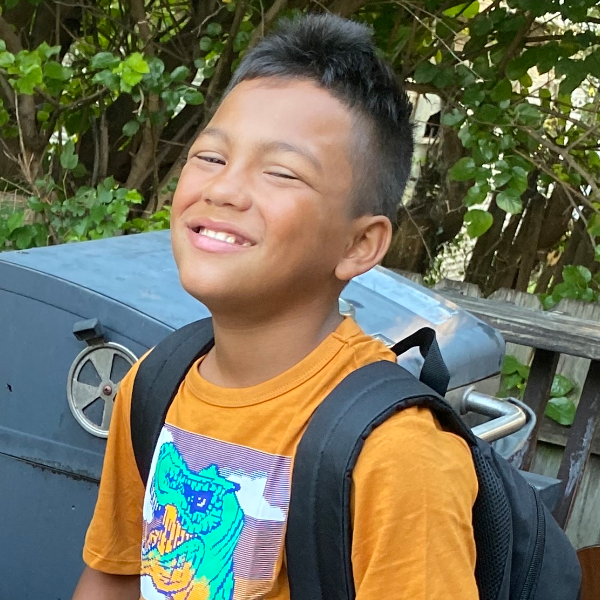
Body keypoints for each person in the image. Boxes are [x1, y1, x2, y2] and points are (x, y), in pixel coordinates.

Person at [73, 13, 478, 600]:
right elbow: (114, 576)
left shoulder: (399, 455)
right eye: (211, 157)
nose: (223, 189)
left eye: (281, 172)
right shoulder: (155, 384)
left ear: (358, 244)